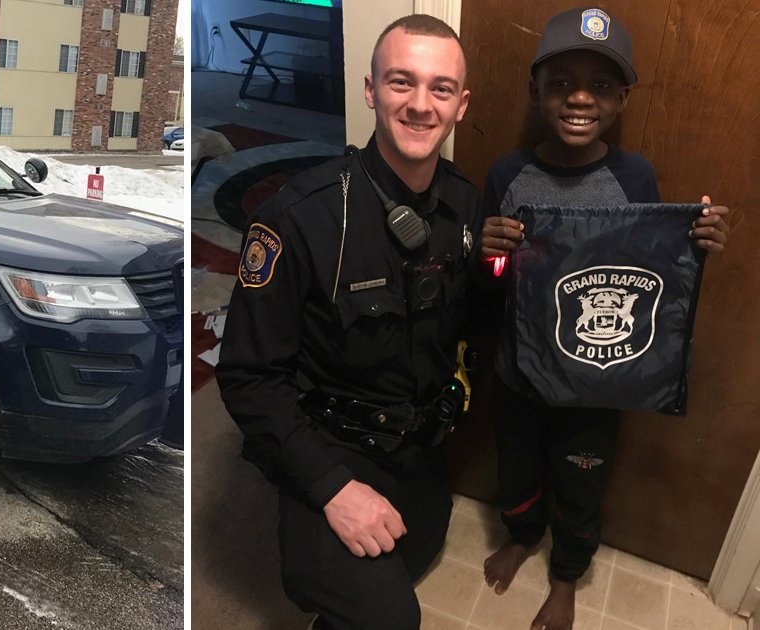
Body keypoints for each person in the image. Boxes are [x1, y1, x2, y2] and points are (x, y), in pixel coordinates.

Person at [216, 15, 481, 629]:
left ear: (461, 105)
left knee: (417, 551)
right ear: (370, 90)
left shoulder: (466, 205)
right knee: (390, 617)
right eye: (400, 83)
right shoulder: (297, 219)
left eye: (440, 89)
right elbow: (250, 379)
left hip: (416, 443)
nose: (420, 105)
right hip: (328, 440)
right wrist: (332, 486)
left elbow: (469, 322)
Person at [478, 8, 730, 630]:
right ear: (536, 91)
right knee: (515, 465)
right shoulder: (508, 174)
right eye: (560, 81)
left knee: (581, 480)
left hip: (599, 376)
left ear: (622, 98)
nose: (580, 97)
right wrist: (489, 255)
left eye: (600, 84)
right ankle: (521, 534)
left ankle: (566, 574)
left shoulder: (633, 175)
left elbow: (646, 273)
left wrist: (694, 241)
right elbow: (491, 283)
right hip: (519, 367)